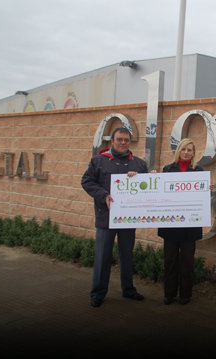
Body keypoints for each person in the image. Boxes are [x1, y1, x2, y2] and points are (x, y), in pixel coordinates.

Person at [81, 127, 147, 308]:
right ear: (113, 141)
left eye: (126, 140)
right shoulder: (98, 161)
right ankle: (98, 293)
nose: (123, 142)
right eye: (119, 139)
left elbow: (148, 188)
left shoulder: (139, 164)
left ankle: (129, 290)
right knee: (103, 258)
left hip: (128, 219)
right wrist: (103, 195)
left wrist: (149, 178)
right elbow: (86, 182)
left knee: (127, 256)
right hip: (105, 219)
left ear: (130, 142)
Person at [158, 138, 211, 305]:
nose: (186, 153)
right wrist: (153, 180)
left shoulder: (199, 171)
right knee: (170, 260)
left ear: (193, 153)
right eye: (183, 149)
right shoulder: (167, 170)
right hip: (170, 224)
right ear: (178, 151)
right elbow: (160, 194)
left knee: (188, 261)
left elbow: (201, 199)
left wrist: (206, 190)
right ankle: (169, 294)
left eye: (190, 150)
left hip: (190, 225)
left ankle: (185, 295)